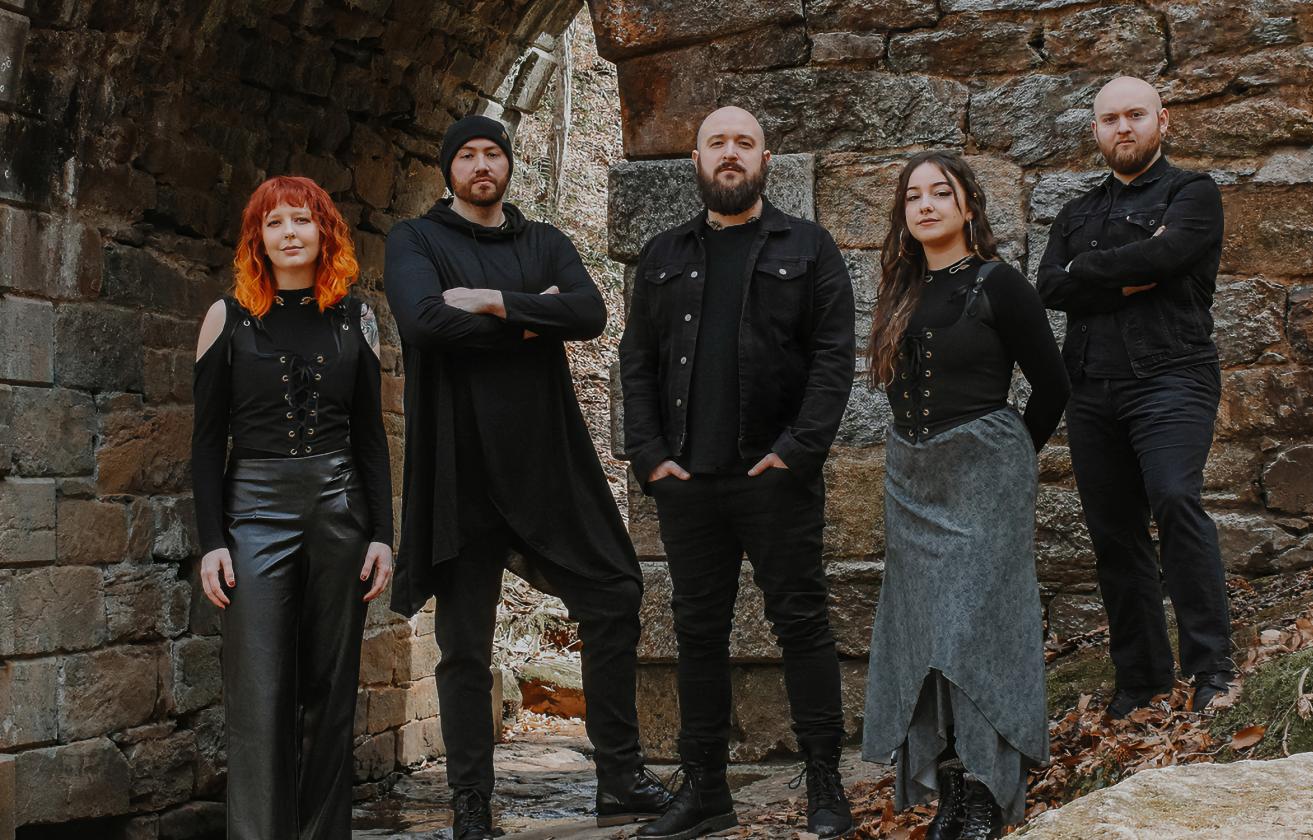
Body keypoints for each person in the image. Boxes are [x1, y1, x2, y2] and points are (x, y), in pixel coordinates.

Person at [383, 114, 670, 840]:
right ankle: (472, 801)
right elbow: (420, 322)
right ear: (450, 168)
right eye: (468, 155)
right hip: (460, 466)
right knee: (465, 642)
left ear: (509, 165)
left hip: (546, 458)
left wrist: (489, 302)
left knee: (614, 589)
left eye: (494, 154)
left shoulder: (544, 241)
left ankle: (620, 778)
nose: (483, 165)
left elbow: (590, 312)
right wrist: (532, 322)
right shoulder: (416, 240)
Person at [620, 106, 857, 840]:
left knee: (802, 625)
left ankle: (825, 783)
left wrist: (795, 452)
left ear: (765, 158)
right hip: (688, 483)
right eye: (717, 143)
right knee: (697, 634)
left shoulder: (809, 248)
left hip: (774, 477)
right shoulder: (662, 255)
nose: (730, 155)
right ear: (696, 159)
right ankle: (706, 792)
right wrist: (650, 457)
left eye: (743, 144)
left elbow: (832, 358)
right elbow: (636, 364)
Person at [860, 152, 1069, 840]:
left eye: (939, 193)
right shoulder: (900, 290)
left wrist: (1005, 460)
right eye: (913, 196)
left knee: (975, 633)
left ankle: (986, 787)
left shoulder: (1000, 285)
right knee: (923, 636)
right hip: (912, 485)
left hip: (984, 482)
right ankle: (950, 786)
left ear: (968, 206)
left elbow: (1052, 385)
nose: (925, 205)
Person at [191, 175, 394, 839]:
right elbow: (205, 443)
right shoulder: (228, 317)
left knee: (329, 691)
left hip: (339, 511)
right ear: (259, 238)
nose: (288, 233)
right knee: (259, 693)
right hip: (253, 511)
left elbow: (370, 436)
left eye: (301, 221)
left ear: (324, 232)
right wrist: (213, 541)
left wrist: (382, 536)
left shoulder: (357, 318)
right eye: (274, 223)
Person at [1037, 76, 1234, 719]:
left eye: (1136, 116)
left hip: (1172, 377)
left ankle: (1211, 670)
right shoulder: (1075, 213)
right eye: (1110, 119)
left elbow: (1173, 253)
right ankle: (1142, 682)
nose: (1123, 128)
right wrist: (1133, 270)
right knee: (1114, 534)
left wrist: (1090, 273)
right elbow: (1048, 289)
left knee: (1176, 500)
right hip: (1091, 387)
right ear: (1095, 130)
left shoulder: (1193, 192)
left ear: (1162, 121)